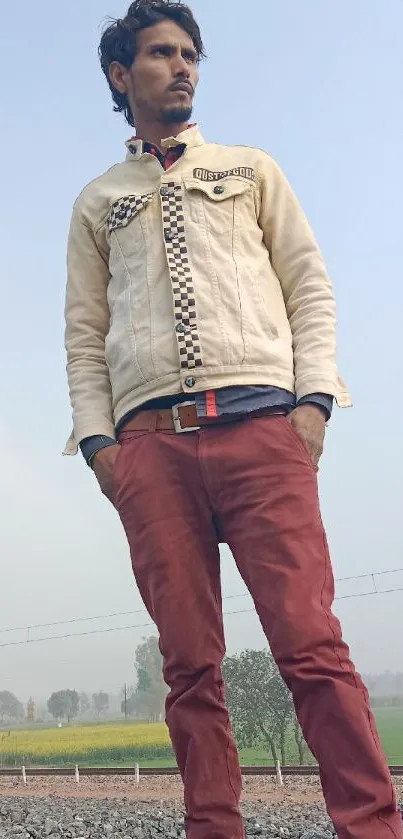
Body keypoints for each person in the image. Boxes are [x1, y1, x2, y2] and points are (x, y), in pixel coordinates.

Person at [63, 2, 402, 838]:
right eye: (161, 54)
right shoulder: (98, 202)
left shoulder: (251, 170)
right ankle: (212, 827)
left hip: (263, 432)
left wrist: (312, 407)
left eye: (189, 54)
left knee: (311, 649)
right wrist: (103, 450)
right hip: (151, 449)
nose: (182, 67)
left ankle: (371, 826)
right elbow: (81, 335)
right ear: (120, 74)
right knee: (188, 668)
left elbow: (308, 287)